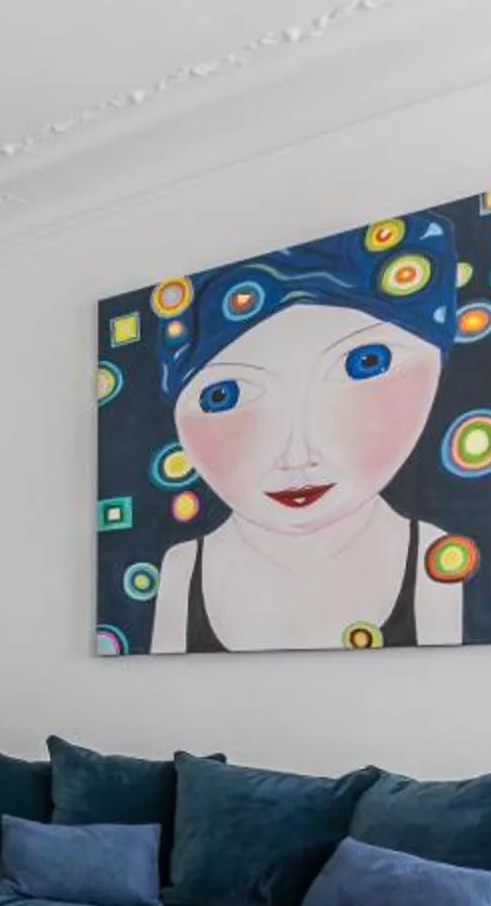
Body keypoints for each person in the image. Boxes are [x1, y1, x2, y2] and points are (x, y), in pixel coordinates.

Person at [145, 213, 470, 652]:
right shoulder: (182, 568)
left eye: (365, 364)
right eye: (224, 395)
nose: (296, 454)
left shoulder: (434, 556)